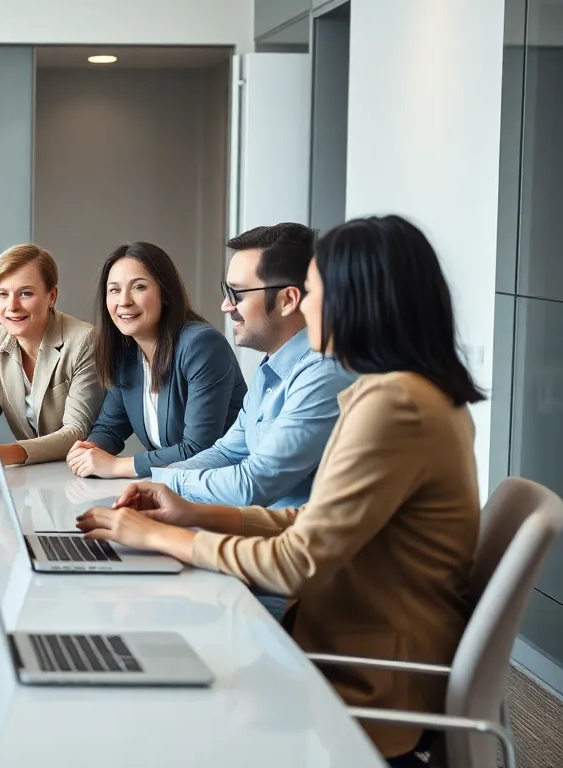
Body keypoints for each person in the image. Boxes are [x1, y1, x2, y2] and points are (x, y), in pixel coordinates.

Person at [77, 215, 483, 765]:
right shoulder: (414, 394)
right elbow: (311, 521)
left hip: (358, 673)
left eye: (313, 290)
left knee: (153, 702)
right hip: (343, 634)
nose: (305, 303)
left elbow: (297, 560)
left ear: (354, 298)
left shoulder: (393, 404)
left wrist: (162, 539)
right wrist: (192, 514)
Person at [151, 224, 356, 508]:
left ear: (288, 300)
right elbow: (227, 452)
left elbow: (254, 483)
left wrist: (165, 484)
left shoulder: (325, 373)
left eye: (236, 294)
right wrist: (164, 480)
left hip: (289, 543)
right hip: (256, 532)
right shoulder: (269, 368)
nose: (225, 306)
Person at [66, 241, 246, 479]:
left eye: (139, 287)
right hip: (174, 487)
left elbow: (198, 450)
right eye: (114, 290)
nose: (124, 301)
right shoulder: (128, 354)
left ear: (165, 294)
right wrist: (89, 450)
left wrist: (115, 466)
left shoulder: (201, 345)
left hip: (225, 488)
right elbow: (109, 428)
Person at [0, 244, 103, 471]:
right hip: (30, 477)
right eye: (2, 294)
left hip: (80, 473)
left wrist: (6, 453)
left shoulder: (84, 340)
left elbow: (76, 431)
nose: (12, 306)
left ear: (52, 296)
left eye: (25, 293)